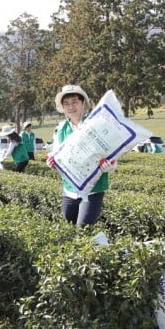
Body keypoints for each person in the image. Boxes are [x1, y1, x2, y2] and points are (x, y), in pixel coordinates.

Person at [46, 84, 117, 226]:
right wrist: (51, 162)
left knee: (83, 229)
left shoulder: (95, 125)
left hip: (92, 189)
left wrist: (109, 165)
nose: (70, 106)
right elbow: (56, 153)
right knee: (69, 225)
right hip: (69, 188)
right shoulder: (61, 129)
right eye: (66, 103)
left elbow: (111, 155)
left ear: (83, 103)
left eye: (74, 102)